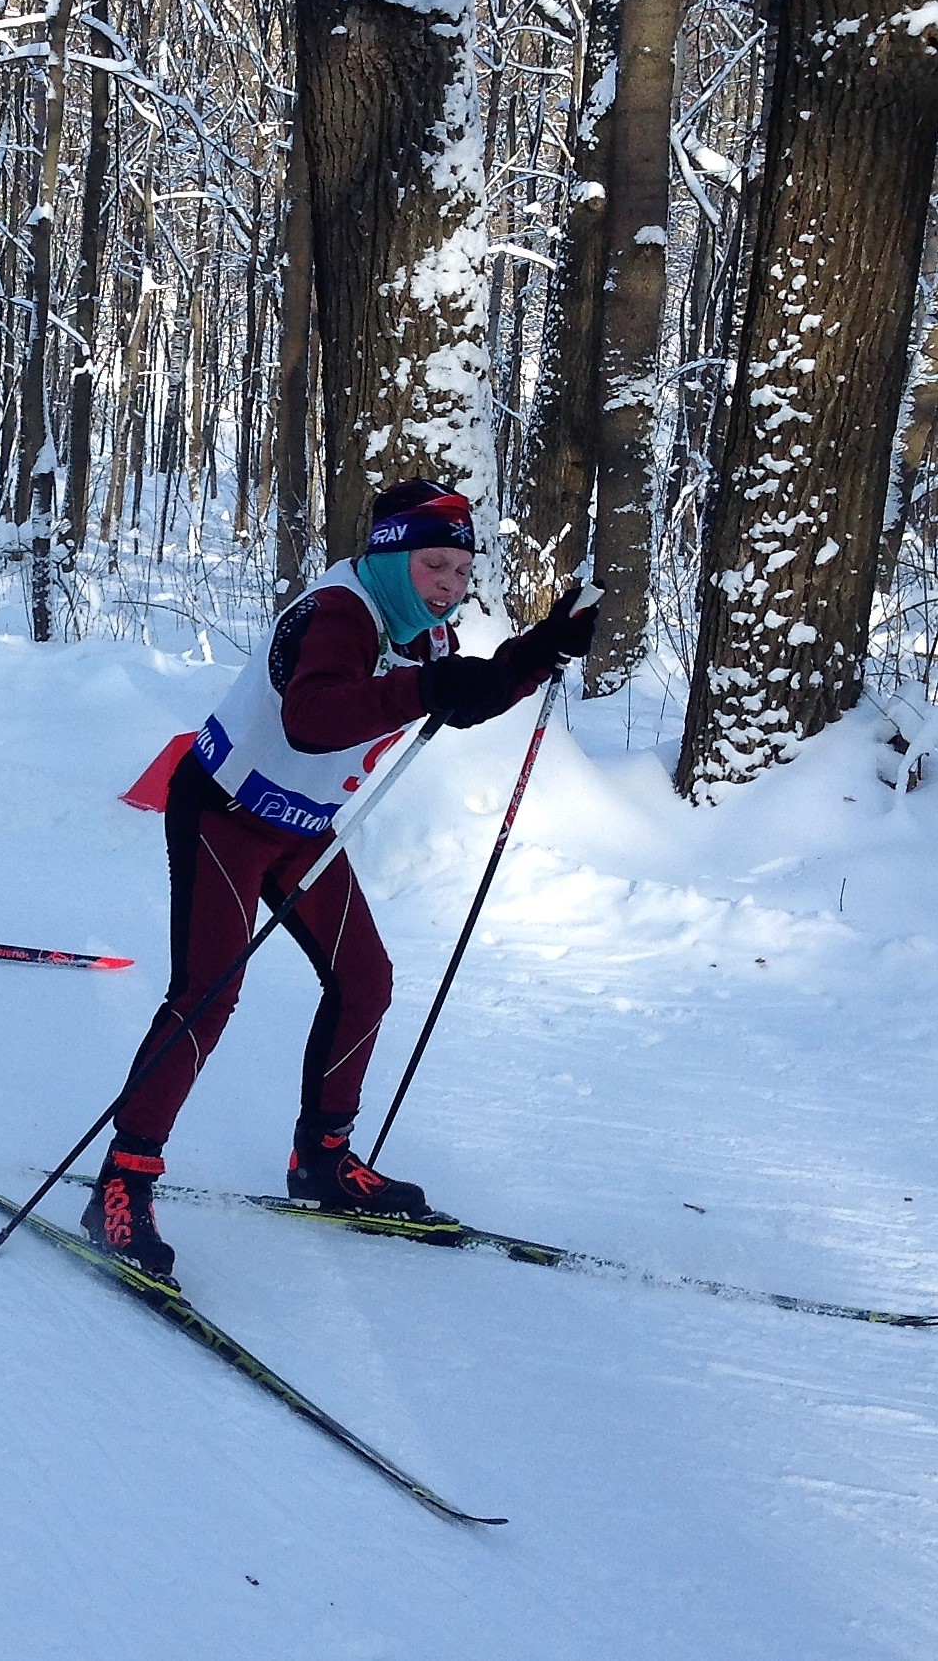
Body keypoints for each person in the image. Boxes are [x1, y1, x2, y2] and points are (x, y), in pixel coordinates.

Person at [80, 479, 599, 1283]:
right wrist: (430, 687)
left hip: (302, 830)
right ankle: (122, 1181)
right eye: (434, 566)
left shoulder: (417, 630)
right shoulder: (337, 614)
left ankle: (323, 1162)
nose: (449, 587)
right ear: (392, 556)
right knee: (208, 994)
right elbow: (313, 716)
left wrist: (542, 649)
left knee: (366, 980)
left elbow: (463, 694)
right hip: (224, 812)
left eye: (461, 573)